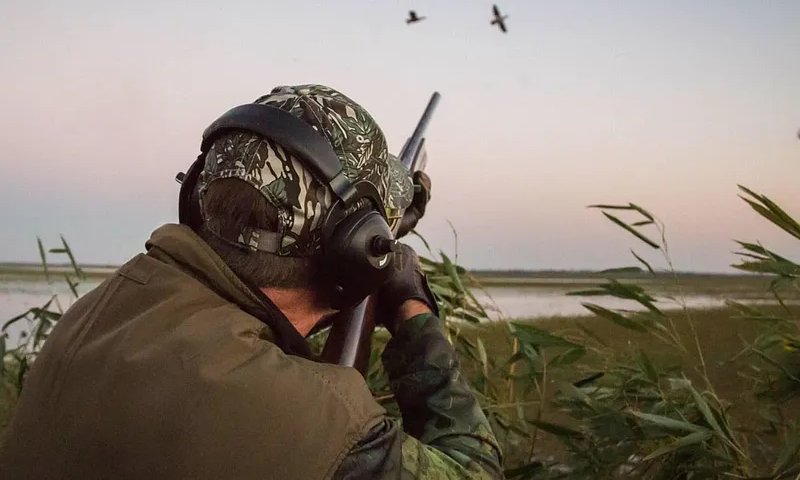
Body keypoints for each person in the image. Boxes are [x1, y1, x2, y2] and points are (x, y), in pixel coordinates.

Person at [0, 84, 503, 479]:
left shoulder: (101, 312)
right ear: (353, 252)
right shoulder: (317, 426)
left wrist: (376, 237)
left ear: (198, 198)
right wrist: (410, 306)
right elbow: (475, 468)